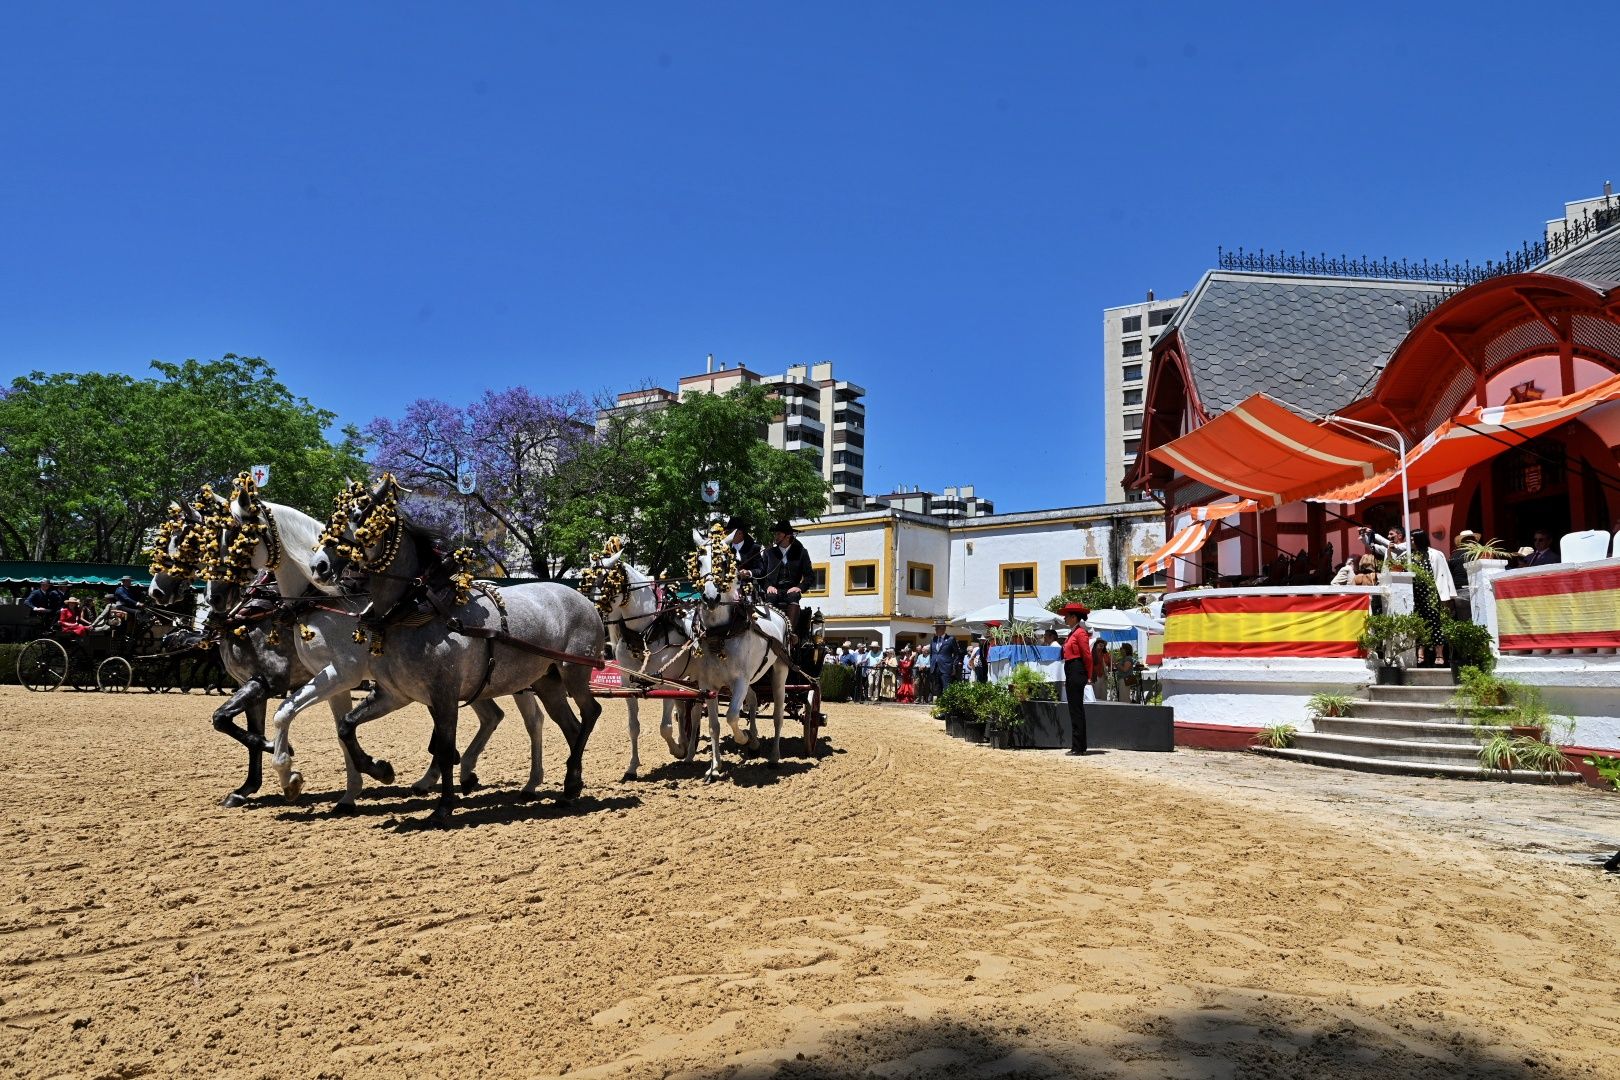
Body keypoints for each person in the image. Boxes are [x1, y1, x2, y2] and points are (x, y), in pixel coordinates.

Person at [757, 520, 814, 633]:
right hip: (774, 590)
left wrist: (800, 587)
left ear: (787, 536)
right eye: (775, 534)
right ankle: (768, 631)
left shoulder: (801, 552)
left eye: (778, 534)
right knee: (770, 597)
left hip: (791, 590)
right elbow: (761, 575)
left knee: (794, 596)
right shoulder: (769, 553)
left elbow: (810, 576)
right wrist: (768, 586)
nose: (775, 536)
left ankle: (790, 633)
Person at [1410, 529, 1455, 667]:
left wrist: (1449, 595)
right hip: (1416, 595)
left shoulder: (1435, 554)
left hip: (1432, 594)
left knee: (1436, 624)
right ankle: (1420, 654)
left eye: (1412, 538)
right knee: (1419, 625)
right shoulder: (1409, 556)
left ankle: (1439, 655)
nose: (1410, 541)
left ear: (1419, 539)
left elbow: (1444, 574)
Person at [1060, 603, 1094, 754]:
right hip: (1071, 669)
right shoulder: (1072, 633)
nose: (1065, 618)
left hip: (1077, 669)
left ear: (1074, 617)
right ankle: (1077, 745)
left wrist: (1089, 674)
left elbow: (1087, 655)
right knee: (1074, 709)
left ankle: (1079, 747)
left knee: (1076, 709)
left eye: (1067, 616)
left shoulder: (1080, 633)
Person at [929, 622, 959, 695]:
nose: (935, 629)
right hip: (935, 667)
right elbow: (932, 653)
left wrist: (954, 666)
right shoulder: (933, 639)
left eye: (937, 628)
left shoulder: (950, 639)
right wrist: (931, 664)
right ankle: (938, 704)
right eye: (935, 628)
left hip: (946, 667)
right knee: (936, 688)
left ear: (943, 628)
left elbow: (957, 654)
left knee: (947, 688)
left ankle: (947, 704)